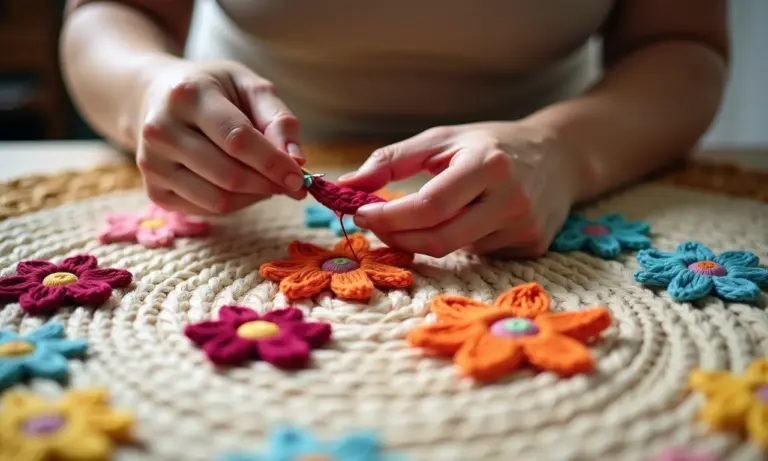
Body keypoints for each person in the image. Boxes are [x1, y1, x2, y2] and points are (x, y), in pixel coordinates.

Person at [60, 0, 729, 259]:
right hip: (223, 152)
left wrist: (567, 149)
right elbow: (108, 14)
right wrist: (146, 86)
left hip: (556, 165)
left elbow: (681, 43)